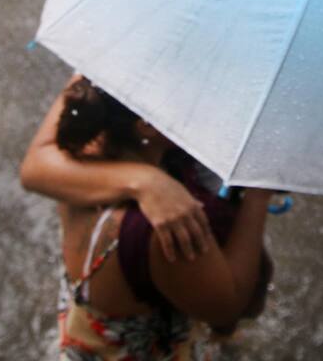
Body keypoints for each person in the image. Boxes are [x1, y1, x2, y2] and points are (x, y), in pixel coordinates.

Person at [21, 74, 274, 360]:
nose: (205, 104)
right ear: (148, 125)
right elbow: (228, 306)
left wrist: (146, 180)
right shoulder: (167, 224)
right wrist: (258, 194)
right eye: (191, 98)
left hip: (90, 329)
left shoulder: (86, 136)